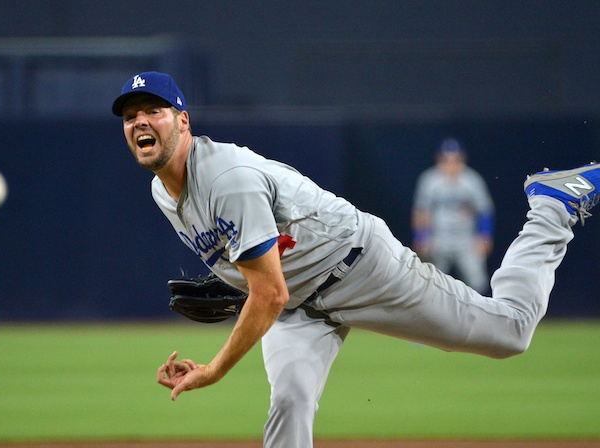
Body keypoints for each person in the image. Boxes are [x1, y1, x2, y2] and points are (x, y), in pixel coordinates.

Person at [112, 71, 599, 448]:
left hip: (362, 267)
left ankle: (553, 206)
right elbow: (265, 272)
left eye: (152, 110)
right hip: (299, 305)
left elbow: (270, 292)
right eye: (130, 116)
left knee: (510, 332)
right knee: (290, 400)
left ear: (182, 120)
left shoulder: (226, 178)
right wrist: (243, 283)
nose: (140, 122)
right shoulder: (162, 190)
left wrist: (214, 368)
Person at [412, 138, 495, 293]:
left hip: (466, 240)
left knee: (477, 282)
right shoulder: (430, 180)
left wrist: (484, 236)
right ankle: (434, 316)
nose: (451, 163)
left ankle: (478, 316)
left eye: (455, 159)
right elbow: (421, 212)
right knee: (432, 282)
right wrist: (421, 237)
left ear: (462, 158)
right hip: (439, 239)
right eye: (446, 159)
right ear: (439, 159)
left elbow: (484, 211)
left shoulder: (472, 180)